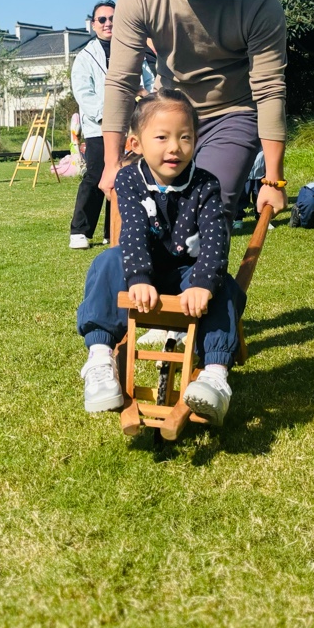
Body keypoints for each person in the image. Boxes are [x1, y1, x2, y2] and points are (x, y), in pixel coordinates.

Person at [100, 0, 289, 224]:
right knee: (154, 216)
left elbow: (269, 87)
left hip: (232, 112)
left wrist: (272, 180)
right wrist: (111, 162)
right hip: (168, 111)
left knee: (207, 208)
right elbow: (121, 81)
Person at [75, 90, 244, 425]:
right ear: (136, 144)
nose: (174, 147)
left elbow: (216, 240)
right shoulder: (129, 180)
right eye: (162, 137)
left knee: (224, 286)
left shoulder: (206, 184)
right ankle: (100, 358)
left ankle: (214, 375)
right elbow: (133, 231)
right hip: (146, 271)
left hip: (188, 273)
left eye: (185, 137)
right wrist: (139, 277)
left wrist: (203, 284)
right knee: (107, 262)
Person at [67, 0, 153, 250]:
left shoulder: (133, 51)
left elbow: (149, 84)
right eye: (102, 19)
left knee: (128, 176)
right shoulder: (85, 57)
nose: (108, 23)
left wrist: (146, 99)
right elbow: (83, 93)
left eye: (113, 18)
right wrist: (108, 116)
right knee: (96, 175)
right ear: (93, 25)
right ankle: (80, 231)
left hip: (133, 127)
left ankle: (112, 229)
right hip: (99, 128)